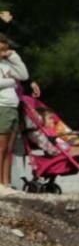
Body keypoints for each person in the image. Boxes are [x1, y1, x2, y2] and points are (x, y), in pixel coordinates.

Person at [0, 32, 28, 194]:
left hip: (12, 107)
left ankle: (6, 183)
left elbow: (23, 75)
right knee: (1, 147)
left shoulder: (6, 64)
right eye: (1, 50)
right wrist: (12, 81)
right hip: (1, 107)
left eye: (6, 49)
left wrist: (14, 56)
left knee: (9, 148)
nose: (4, 53)